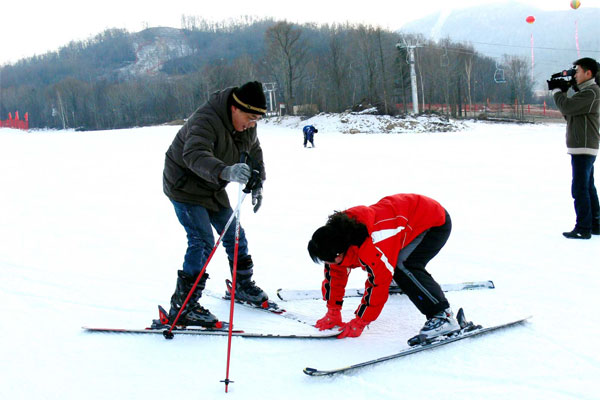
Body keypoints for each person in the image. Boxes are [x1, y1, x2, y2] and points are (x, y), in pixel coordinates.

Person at [162, 81, 269, 327]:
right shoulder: (206, 119)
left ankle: (241, 285)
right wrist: (226, 171)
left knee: (234, 235)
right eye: (250, 117)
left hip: (212, 186)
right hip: (185, 186)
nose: (252, 124)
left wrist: (258, 180)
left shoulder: (247, 126)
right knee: (202, 241)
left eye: (257, 120)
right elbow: (193, 154)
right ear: (235, 108)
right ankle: (183, 307)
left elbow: (254, 151)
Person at [307, 193, 459, 339]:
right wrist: (333, 310)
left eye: (331, 261)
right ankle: (403, 281)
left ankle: (442, 316)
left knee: (403, 266)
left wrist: (361, 321)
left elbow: (378, 283)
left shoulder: (374, 243)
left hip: (433, 221)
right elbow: (335, 272)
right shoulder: (337, 238)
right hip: (405, 219)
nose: (330, 265)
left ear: (340, 254)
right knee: (389, 266)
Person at [549, 57, 600, 239]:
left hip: (584, 146)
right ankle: (595, 224)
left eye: (577, 71)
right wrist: (566, 89)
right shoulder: (586, 92)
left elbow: (567, 107)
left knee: (579, 188)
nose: (575, 74)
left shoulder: (592, 92)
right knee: (587, 186)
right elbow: (571, 115)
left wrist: (558, 91)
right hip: (583, 145)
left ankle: (583, 228)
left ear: (588, 73)